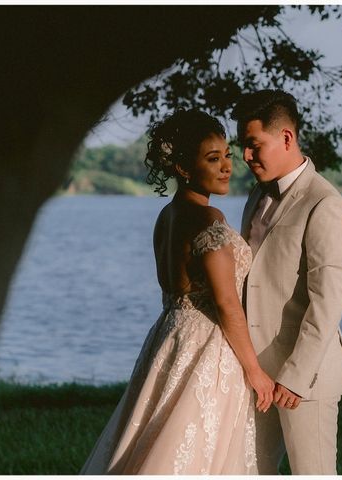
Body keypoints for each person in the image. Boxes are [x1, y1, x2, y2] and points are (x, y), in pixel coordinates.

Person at [80, 109, 275, 475]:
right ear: (184, 169)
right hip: (207, 345)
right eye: (212, 159)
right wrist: (255, 371)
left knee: (155, 437)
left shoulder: (167, 216)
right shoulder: (207, 219)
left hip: (168, 337)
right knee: (198, 448)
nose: (226, 167)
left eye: (227, 157)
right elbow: (226, 303)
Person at [232, 89, 342, 474]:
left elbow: (328, 302)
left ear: (286, 138)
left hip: (305, 377)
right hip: (255, 374)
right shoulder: (257, 194)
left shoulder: (325, 205)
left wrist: (296, 378)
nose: (245, 157)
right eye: (243, 146)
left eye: (254, 145)